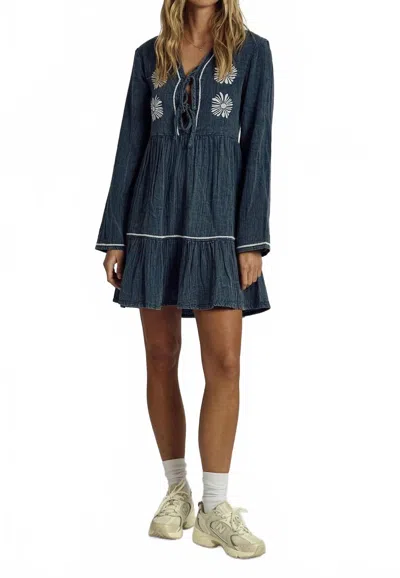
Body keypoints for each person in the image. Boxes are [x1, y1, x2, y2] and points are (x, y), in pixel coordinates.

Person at [95, 0, 273, 560]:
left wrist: (251, 239)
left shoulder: (253, 54)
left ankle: (215, 507)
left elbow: (258, 146)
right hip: (152, 219)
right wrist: (116, 234)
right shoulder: (148, 56)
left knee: (225, 363)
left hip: (219, 224)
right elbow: (130, 143)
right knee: (160, 357)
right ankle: (176, 491)